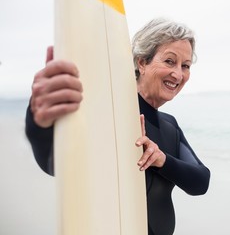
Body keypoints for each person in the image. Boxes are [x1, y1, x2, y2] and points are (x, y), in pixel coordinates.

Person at [25, 18, 210, 235]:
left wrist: (161, 160)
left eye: (185, 66)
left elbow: (200, 181)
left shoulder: (169, 125)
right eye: (170, 61)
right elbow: (56, 164)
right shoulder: (111, 112)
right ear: (141, 62)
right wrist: (39, 123)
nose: (178, 74)